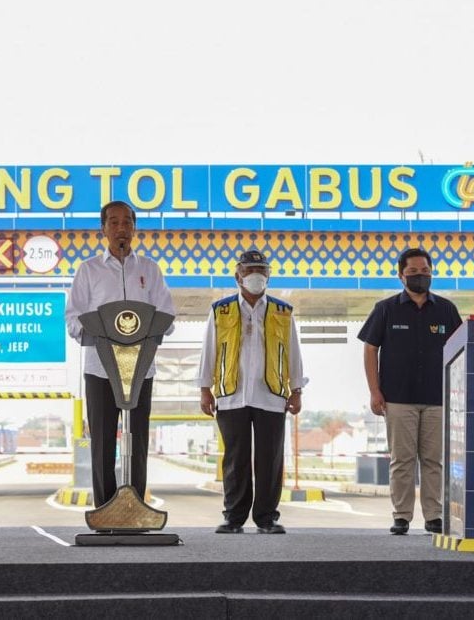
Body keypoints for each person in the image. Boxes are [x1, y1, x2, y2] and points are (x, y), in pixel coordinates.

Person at [64, 201, 175, 507]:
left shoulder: (149, 270)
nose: (120, 228)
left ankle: (136, 507)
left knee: (137, 441)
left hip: (141, 369)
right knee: (102, 442)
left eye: (126, 222)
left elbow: (167, 315)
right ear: (103, 229)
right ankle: (105, 510)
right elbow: (73, 319)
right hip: (100, 368)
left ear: (134, 228)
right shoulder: (88, 270)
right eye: (113, 222)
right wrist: (95, 332)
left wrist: (151, 330)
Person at [197, 249, 306, 535]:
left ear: (268, 276)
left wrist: (297, 389)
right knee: (235, 458)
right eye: (249, 271)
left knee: (270, 459)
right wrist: (204, 389)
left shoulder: (283, 311)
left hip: (271, 394)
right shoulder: (220, 310)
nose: (255, 276)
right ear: (238, 276)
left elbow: (293, 350)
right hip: (231, 393)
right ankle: (233, 517)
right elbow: (209, 348)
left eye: (261, 270)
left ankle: (267, 517)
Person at [358, 247, 462, 535]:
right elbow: (370, 348)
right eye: (414, 272)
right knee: (402, 460)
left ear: (432, 272)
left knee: (432, 460)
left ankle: (433, 516)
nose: (420, 276)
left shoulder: (446, 309)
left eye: (425, 271)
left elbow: (460, 352)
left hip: (437, 398)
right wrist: (374, 391)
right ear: (401, 275)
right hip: (397, 398)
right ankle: (401, 516)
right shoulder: (386, 308)